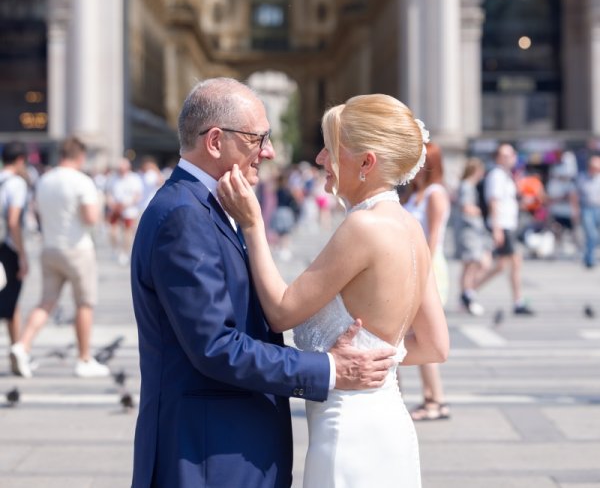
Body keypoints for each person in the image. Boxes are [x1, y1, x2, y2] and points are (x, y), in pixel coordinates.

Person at [130, 78, 399, 488]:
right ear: (216, 141)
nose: (269, 152)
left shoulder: (205, 206)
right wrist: (328, 369)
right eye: (258, 139)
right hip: (208, 456)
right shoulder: (184, 217)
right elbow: (216, 347)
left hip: (224, 447)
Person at [219, 93, 449, 488]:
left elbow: (280, 311)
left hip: (348, 431)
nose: (321, 159)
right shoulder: (410, 226)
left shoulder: (363, 227)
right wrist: (371, 358)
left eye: (330, 148)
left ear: (366, 162)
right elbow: (435, 346)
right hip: (390, 422)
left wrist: (254, 225)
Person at [10, 136, 109, 379]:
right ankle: (84, 358)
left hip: (50, 247)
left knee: (46, 302)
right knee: (84, 303)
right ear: (80, 156)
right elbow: (90, 218)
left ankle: (22, 345)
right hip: (77, 248)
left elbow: (38, 213)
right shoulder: (82, 181)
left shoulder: (45, 179)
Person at [402, 142, 451, 421]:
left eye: (419, 160)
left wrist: (422, 274)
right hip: (414, 266)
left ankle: (435, 399)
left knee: (424, 335)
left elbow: (432, 238)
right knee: (413, 334)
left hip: (429, 267)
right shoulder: (417, 192)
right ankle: (431, 397)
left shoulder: (435, 194)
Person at [475, 143, 534, 314]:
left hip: (508, 224)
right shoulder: (497, 175)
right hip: (502, 225)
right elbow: (493, 201)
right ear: (499, 158)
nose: (512, 158)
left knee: (502, 266)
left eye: (513, 154)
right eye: (507, 155)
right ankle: (518, 301)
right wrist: (497, 228)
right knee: (515, 262)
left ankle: (470, 290)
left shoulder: (507, 176)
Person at [0, 141, 30, 358]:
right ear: (20, 160)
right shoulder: (16, 183)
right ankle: (16, 348)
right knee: (11, 299)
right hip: (7, 248)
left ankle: (15, 345)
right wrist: (22, 254)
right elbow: (13, 221)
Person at [456, 157, 490, 316]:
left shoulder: (467, 186)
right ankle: (467, 296)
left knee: (471, 265)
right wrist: (480, 211)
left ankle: (466, 295)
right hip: (469, 231)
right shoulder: (467, 186)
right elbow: (466, 207)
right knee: (472, 264)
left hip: (470, 231)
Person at [105, 157, 143, 264]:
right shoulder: (113, 178)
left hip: (129, 210)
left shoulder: (134, 178)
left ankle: (124, 252)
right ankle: (115, 248)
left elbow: (138, 195)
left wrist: (127, 204)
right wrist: (112, 204)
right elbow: (108, 193)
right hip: (115, 208)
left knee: (127, 233)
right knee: (112, 231)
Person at [572, 154, 600, 268]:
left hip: (598, 207)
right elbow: (574, 194)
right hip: (587, 208)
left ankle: (588, 255)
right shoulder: (582, 177)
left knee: (596, 236)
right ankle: (589, 259)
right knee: (591, 234)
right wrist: (575, 209)